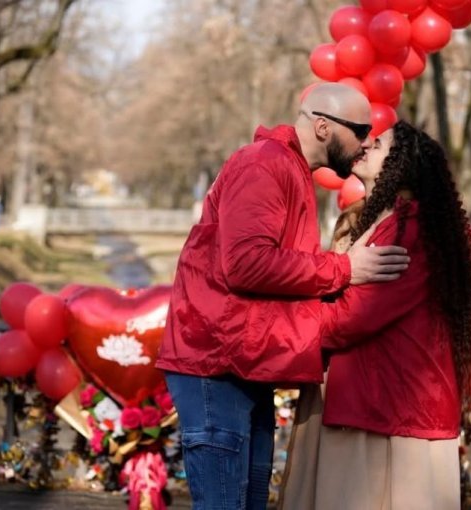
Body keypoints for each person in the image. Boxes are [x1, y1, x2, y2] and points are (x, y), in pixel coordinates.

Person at [156, 83, 411, 510]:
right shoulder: (264, 165)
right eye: (361, 130)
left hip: (244, 362)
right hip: (214, 364)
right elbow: (246, 264)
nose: (366, 142)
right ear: (325, 127)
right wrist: (345, 269)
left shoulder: (287, 168)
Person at [280, 120, 471, 510]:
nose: (367, 144)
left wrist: (278, 320)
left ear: (404, 164)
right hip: (368, 405)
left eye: (381, 143)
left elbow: (352, 317)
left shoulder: (412, 230)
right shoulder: (380, 223)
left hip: (387, 415)